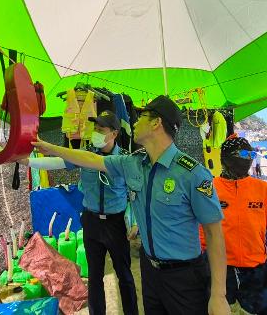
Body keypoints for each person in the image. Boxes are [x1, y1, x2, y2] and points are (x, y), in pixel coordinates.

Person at [31, 95, 230, 315]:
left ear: (156, 123)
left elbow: (214, 234)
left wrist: (219, 295)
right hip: (149, 270)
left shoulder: (192, 174)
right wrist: (50, 148)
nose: (134, 122)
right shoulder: (133, 164)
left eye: (141, 116)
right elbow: (90, 160)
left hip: (184, 277)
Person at [20, 111, 139, 315]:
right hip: (91, 222)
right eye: (94, 129)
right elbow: (58, 162)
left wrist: (134, 221)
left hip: (115, 223)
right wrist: (28, 162)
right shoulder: (84, 155)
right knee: (94, 276)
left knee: (124, 275)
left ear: (114, 133)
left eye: (101, 130)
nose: (96, 133)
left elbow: (135, 193)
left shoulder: (124, 160)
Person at [204, 135, 267, 315]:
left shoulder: (263, 189)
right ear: (225, 158)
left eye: (250, 154)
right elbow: (202, 228)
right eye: (241, 154)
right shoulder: (211, 188)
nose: (247, 158)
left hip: (256, 268)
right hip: (221, 268)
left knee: (264, 311)